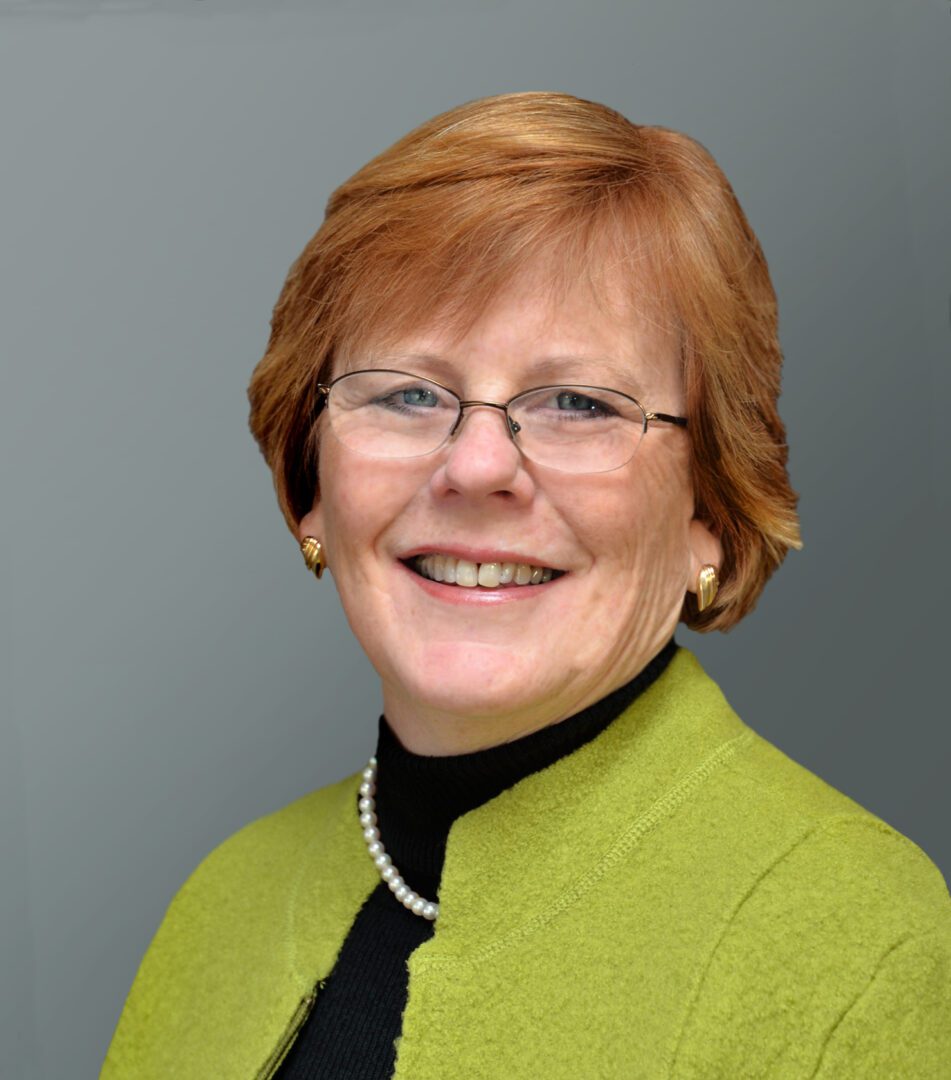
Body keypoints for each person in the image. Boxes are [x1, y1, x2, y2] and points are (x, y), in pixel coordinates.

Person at [101, 92, 951, 1079]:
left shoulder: (855, 942)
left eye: (579, 403)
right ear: (313, 489)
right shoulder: (223, 902)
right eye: (409, 392)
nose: (474, 468)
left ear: (707, 514)